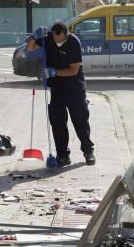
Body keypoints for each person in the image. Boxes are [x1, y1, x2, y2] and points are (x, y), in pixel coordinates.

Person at [27, 22, 95, 166]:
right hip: (57, 88)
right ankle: (63, 155)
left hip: (74, 87)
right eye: (55, 38)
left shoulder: (73, 42)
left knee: (80, 120)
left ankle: (88, 151)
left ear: (65, 34)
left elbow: (74, 70)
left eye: (60, 39)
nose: (58, 42)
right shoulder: (49, 39)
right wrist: (34, 36)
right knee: (57, 123)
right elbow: (29, 48)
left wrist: (54, 72)